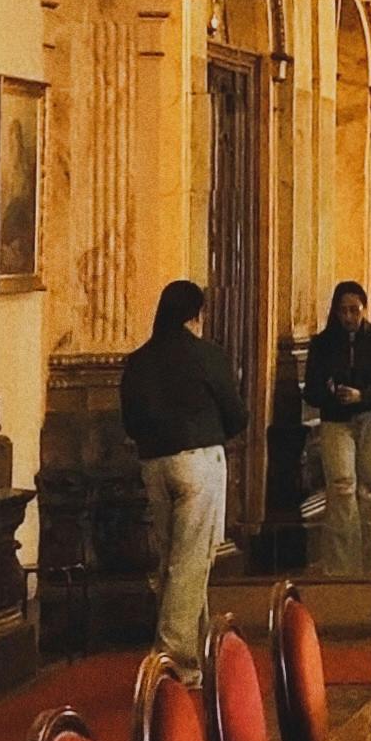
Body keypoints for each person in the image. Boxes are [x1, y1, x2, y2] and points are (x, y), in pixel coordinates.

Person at [120, 280, 245, 666]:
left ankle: (196, 652)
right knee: (192, 561)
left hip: (154, 464)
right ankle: (171, 656)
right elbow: (236, 414)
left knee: (172, 559)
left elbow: (129, 420)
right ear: (196, 315)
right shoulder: (207, 356)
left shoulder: (139, 360)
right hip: (198, 461)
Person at [304, 278, 371, 578]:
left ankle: (366, 560)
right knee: (341, 487)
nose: (349, 317)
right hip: (337, 420)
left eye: (354, 310)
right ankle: (340, 568)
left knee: (369, 488)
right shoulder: (322, 344)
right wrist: (331, 394)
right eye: (343, 311)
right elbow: (310, 389)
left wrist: (363, 396)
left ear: (364, 309)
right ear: (334, 311)